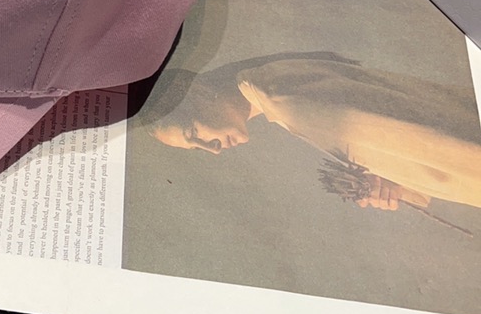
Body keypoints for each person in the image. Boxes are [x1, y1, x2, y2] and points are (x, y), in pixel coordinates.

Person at [147, 53, 481, 213]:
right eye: (197, 148)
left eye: (193, 131)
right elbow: (412, 134)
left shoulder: (288, 100)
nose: (212, 148)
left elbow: (444, 141)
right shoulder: (273, 89)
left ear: (198, 92)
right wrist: (397, 187)